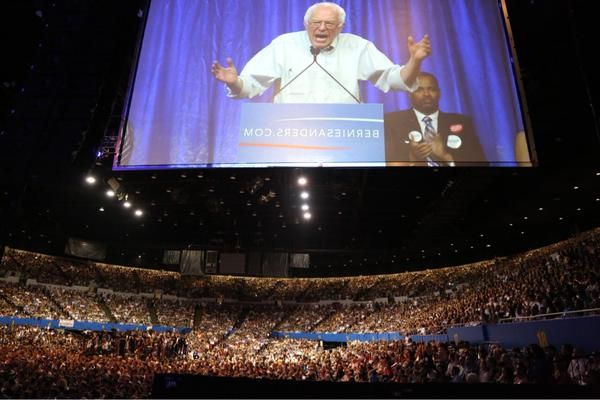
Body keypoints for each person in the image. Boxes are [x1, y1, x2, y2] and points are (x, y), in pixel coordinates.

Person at [211, 2, 431, 103]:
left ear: (340, 27)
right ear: (306, 24)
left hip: (345, 132)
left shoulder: (358, 46)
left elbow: (394, 80)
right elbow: (250, 84)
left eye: (329, 24)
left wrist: (415, 61)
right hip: (289, 132)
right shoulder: (284, 44)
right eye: (316, 22)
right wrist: (233, 82)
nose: (322, 28)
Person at [384, 72, 487, 166]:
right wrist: (412, 159)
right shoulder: (392, 122)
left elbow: (480, 164)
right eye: (419, 90)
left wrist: (446, 157)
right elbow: (383, 163)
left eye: (431, 89)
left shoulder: (462, 122)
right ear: (410, 94)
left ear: (439, 93)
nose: (426, 94)